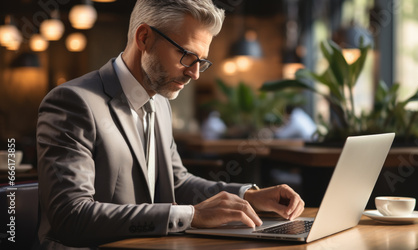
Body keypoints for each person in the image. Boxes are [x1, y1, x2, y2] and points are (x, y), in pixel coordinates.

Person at [36, 0, 304, 249]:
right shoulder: (72, 102)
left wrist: (247, 196)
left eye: (201, 61)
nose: (195, 73)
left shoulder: (161, 103)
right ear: (144, 38)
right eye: (187, 55)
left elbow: (177, 182)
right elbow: (71, 215)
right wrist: (190, 216)